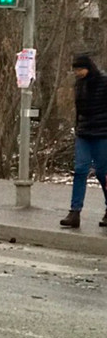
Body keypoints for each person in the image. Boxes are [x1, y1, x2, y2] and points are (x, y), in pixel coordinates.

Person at [60, 54, 107, 229]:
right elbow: (79, 110)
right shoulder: (79, 84)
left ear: (88, 67)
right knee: (80, 170)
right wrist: (78, 127)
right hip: (84, 134)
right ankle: (74, 212)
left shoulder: (103, 82)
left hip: (102, 134)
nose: (77, 73)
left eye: (80, 69)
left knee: (103, 173)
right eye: (75, 70)